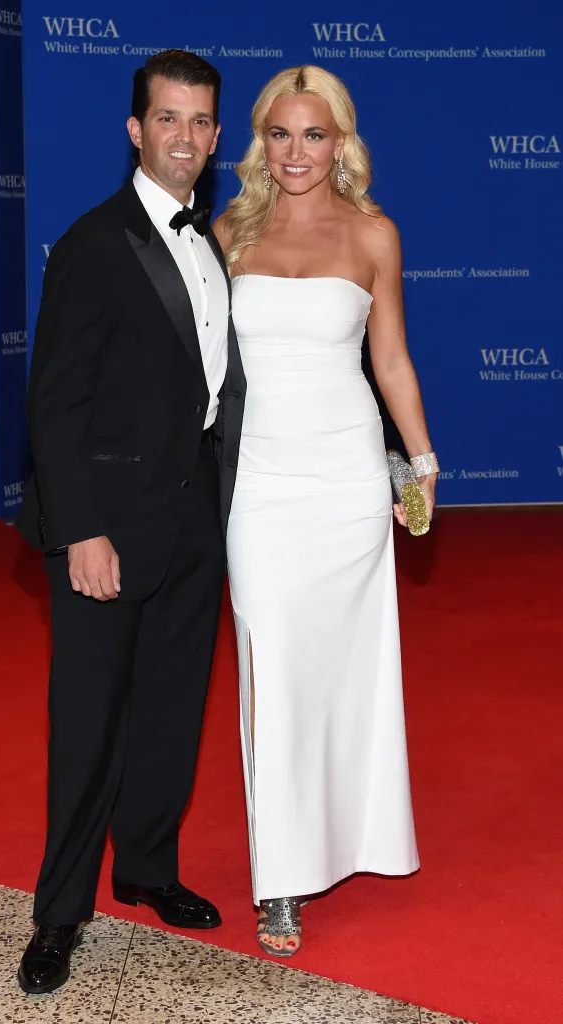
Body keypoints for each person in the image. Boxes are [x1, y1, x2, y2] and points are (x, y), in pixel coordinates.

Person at [15, 49, 245, 994]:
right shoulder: (94, 241)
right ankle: (58, 915)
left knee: (170, 709)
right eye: (167, 118)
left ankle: (147, 867)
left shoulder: (215, 241)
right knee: (88, 724)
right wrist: (79, 530)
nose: (184, 137)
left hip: (194, 519)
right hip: (108, 527)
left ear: (216, 135)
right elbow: (53, 400)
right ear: (135, 129)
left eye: (200, 121)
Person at [214, 65, 437, 958]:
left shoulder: (375, 233)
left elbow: (392, 360)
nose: (297, 151)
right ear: (260, 142)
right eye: (280, 133)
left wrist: (419, 463)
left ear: (340, 142)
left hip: (347, 479)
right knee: (272, 668)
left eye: (314, 134)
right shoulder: (229, 230)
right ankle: (281, 876)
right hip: (258, 484)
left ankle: (353, 836)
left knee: (346, 672)